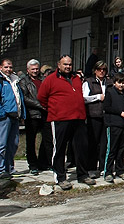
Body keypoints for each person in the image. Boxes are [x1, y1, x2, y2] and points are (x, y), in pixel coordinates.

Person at [38, 54, 95, 190]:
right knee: (59, 149)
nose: (68, 66)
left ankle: (82, 174)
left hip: (78, 118)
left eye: (69, 64)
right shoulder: (50, 79)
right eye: (65, 64)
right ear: (59, 65)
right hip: (60, 119)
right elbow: (41, 98)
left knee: (81, 148)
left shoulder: (76, 78)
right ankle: (60, 177)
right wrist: (55, 108)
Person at [0, 57, 24, 179]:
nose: (8, 69)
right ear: (1, 68)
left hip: (14, 116)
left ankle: (9, 168)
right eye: (6, 67)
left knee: (13, 143)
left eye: (10, 67)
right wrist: (2, 114)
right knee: (1, 144)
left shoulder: (14, 80)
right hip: (3, 117)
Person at [18, 58, 52, 175]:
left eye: (37, 69)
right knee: (31, 140)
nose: (35, 71)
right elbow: (25, 98)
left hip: (45, 113)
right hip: (32, 114)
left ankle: (45, 162)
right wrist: (39, 105)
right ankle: (32, 164)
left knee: (47, 139)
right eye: (33, 69)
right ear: (28, 70)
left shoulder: (44, 80)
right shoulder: (23, 81)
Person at [102, 72, 124, 182]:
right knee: (112, 149)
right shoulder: (110, 92)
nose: (121, 85)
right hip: (113, 124)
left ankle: (120, 170)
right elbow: (107, 107)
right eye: (119, 83)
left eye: (123, 83)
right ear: (115, 83)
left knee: (121, 149)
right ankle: (108, 171)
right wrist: (120, 113)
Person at [83, 60, 111, 178]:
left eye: (104, 70)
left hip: (106, 115)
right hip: (93, 115)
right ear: (95, 70)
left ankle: (103, 167)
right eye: (99, 69)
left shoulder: (109, 82)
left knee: (105, 143)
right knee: (93, 142)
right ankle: (91, 167)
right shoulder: (88, 82)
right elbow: (84, 98)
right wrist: (97, 97)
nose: (102, 72)